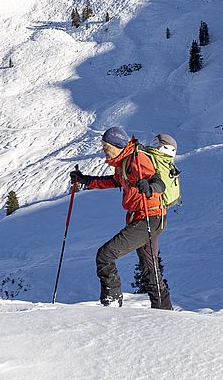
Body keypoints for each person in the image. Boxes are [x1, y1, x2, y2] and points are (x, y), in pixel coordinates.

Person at [70, 126, 174, 309]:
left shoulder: (137, 160)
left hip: (149, 218)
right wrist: (85, 180)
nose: (103, 150)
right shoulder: (124, 162)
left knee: (105, 255)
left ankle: (112, 302)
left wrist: (150, 188)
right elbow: (114, 181)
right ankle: (165, 312)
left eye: (105, 146)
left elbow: (160, 183)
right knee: (150, 271)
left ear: (116, 145)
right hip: (146, 218)